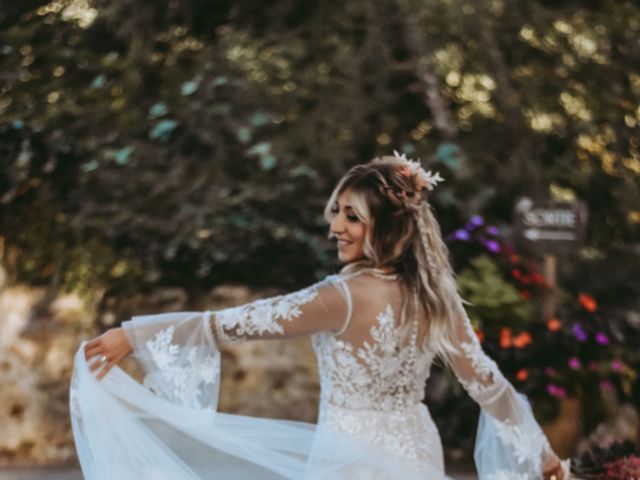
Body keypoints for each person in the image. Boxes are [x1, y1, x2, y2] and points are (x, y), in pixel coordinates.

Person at [70, 152, 568, 479]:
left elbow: (234, 322)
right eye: (337, 211)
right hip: (418, 454)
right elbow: (488, 384)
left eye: (352, 216)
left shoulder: (343, 297)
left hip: (349, 459)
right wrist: (542, 454)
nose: (335, 226)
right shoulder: (436, 295)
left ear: (388, 226)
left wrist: (134, 335)